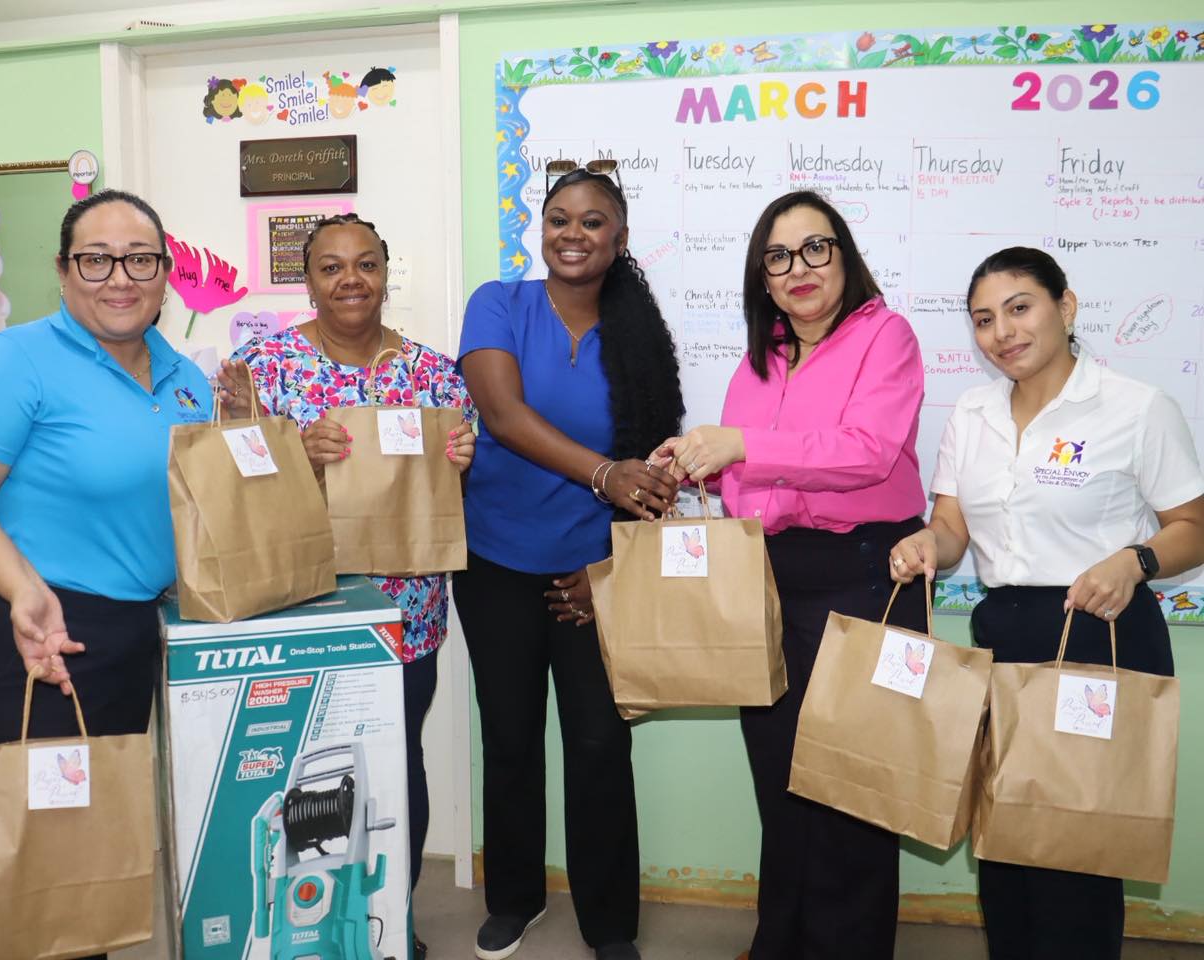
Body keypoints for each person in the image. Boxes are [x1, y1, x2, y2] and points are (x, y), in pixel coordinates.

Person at [889, 247, 1204, 960]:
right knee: (1004, 845)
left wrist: (1136, 561)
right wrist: (927, 544)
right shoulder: (972, 413)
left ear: (1065, 306)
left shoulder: (1135, 407)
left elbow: (1194, 525)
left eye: (1019, 308)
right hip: (1004, 637)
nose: (1002, 331)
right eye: (983, 319)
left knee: (1076, 851)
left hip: (1099, 637)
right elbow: (952, 527)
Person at [659, 189, 928, 960]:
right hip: (771, 574)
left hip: (865, 573)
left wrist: (740, 445)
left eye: (816, 248)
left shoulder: (885, 336)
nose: (798, 268)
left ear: (843, 254)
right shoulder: (762, 358)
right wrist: (689, 463)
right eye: (777, 257)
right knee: (780, 780)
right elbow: (747, 475)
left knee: (854, 786)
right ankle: (782, 939)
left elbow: (866, 452)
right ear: (763, 278)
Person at [0, 189, 212, 960]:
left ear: (165, 271)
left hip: (129, 635)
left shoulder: (186, 379)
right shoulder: (16, 361)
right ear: (64, 269)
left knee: (83, 851)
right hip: (28, 631)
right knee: (24, 851)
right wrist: (23, 590)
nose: (119, 278)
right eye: (96, 260)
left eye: (139, 259)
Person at [219, 212, 474, 960]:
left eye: (365, 264)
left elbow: (456, 483)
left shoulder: (433, 373)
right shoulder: (265, 368)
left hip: (405, 613)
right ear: (308, 281)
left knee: (395, 762)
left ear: (386, 273)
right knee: (305, 775)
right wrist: (293, 451)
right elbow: (228, 485)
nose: (350, 280)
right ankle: (307, 927)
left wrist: (462, 458)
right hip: (298, 606)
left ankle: (392, 917)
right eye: (331, 267)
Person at [454, 160, 684, 960]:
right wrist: (603, 474)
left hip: (593, 571)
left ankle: (609, 923)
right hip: (495, 561)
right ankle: (514, 899)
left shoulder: (639, 337)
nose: (573, 234)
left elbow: (653, 473)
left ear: (620, 239)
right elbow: (502, 415)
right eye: (559, 219)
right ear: (540, 230)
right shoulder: (499, 303)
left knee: (599, 745)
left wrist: (610, 570)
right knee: (510, 738)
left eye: (592, 222)